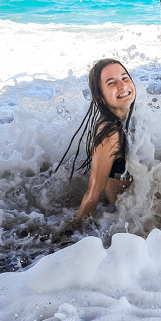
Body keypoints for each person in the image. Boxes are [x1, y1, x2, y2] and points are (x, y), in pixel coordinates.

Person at [56, 59, 136, 221]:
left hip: (135, 203)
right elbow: (93, 191)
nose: (122, 86)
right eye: (111, 83)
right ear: (100, 97)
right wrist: (74, 230)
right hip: (126, 216)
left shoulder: (129, 117)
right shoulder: (110, 133)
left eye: (125, 78)